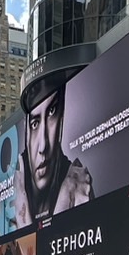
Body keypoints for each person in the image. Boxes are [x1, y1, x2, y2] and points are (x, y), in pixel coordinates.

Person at [14, 83, 94, 222]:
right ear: (26, 132)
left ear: (61, 118)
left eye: (52, 112)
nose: (43, 146)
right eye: (35, 123)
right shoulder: (15, 191)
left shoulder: (79, 188)